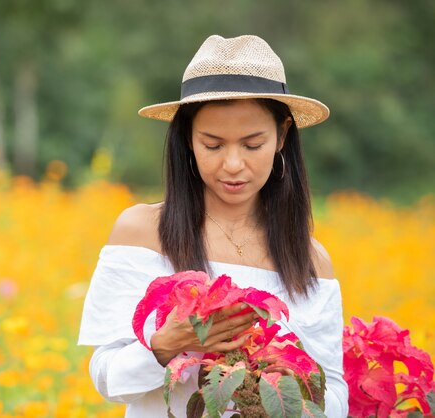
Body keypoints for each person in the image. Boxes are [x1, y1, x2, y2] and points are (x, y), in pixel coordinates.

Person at [78, 34, 349, 417]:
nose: (233, 164)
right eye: (213, 144)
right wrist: (162, 346)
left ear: (283, 135)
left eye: (253, 145)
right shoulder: (141, 231)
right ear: (188, 139)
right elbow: (106, 379)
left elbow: (333, 392)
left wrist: (279, 390)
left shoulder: (310, 260)